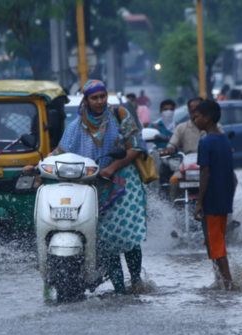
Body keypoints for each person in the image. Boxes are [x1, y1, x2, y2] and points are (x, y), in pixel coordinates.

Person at [24, 80, 149, 295]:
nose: (100, 101)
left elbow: (135, 146)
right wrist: (38, 166)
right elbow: (60, 152)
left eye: (102, 96)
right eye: (94, 97)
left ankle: (136, 283)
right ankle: (120, 292)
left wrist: (113, 167)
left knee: (128, 237)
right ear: (86, 100)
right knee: (107, 240)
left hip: (123, 182)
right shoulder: (76, 126)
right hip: (94, 184)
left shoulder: (119, 114)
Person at [192, 100, 237, 291]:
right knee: (213, 241)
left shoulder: (205, 142)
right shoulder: (224, 139)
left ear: (207, 118)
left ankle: (228, 285)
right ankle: (220, 281)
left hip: (211, 200)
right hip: (224, 198)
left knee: (216, 245)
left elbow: (205, 173)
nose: (194, 120)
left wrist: (199, 202)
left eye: (197, 116)